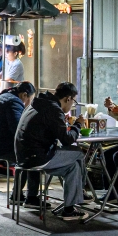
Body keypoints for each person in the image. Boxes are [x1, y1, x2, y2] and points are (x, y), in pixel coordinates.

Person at [13, 82, 88, 221]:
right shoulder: (53, 109)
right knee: (78, 152)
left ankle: (69, 209)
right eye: (74, 101)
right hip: (37, 157)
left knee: (73, 167)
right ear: (68, 99)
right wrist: (78, 125)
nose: (72, 105)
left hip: (24, 155)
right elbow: (67, 140)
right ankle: (82, 192)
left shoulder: (40, 103)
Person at [0, 82, 35, 159]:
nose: (30, 104)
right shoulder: (14, 102)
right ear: (24, 95)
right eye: (31, 100)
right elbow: (17, 131)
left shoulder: (2, 96)